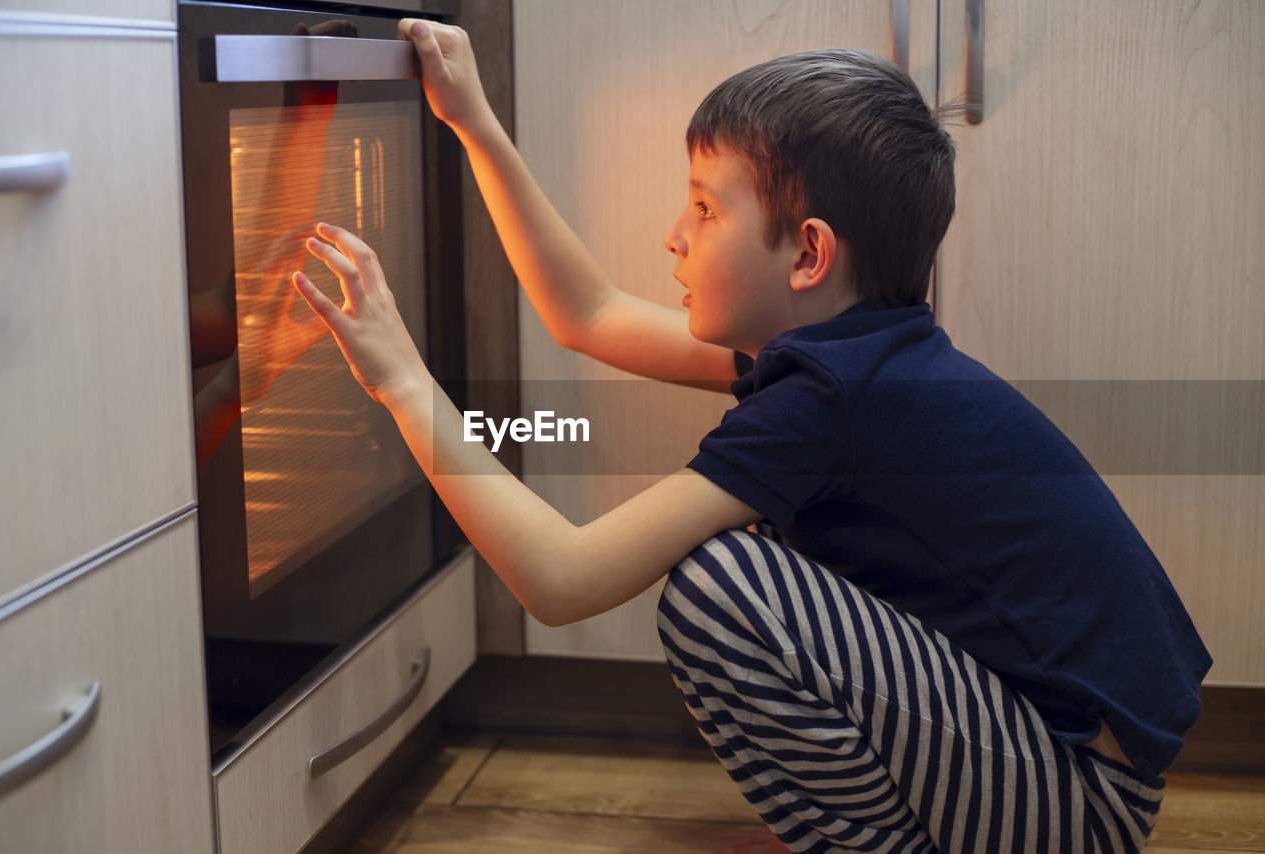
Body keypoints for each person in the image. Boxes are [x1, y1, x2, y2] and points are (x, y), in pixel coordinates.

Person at [289, 19, 1212, 854]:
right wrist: (474, 123)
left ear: (808, 255)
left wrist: (401, 381)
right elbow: (589, 314)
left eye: (705, 207)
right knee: (732, 569)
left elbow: (562, 581)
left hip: (1075, 803)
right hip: (1063, 763)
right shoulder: (858, 358)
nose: (673, 236)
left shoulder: (830, 401)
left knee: (719, 587)